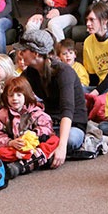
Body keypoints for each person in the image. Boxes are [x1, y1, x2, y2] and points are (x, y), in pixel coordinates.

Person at [18, 29, 87, 167]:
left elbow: (67, 110)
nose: (20, 54)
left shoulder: (64, 72)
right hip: (49, 123)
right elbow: (13, 92)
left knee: (71, 140)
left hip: (72, 123)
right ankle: (47, 150)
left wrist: (62, 146)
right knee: (26, 138)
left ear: (36, 53)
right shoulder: (30, 72)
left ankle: (48, 150)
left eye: (24, 50)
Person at [0, 76, 60, 179]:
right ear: (6, 97)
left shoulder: (35, 111)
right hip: (18, 149)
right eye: (11, 95)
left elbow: (47, 127)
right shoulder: (1, 116)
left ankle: (20, 166)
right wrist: (10, 142)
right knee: (1, 152)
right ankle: (40, 159)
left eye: (19, 95)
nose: (15, 98)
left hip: (36, 145)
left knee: (55, 140)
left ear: (26, 95)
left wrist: (35, 134)